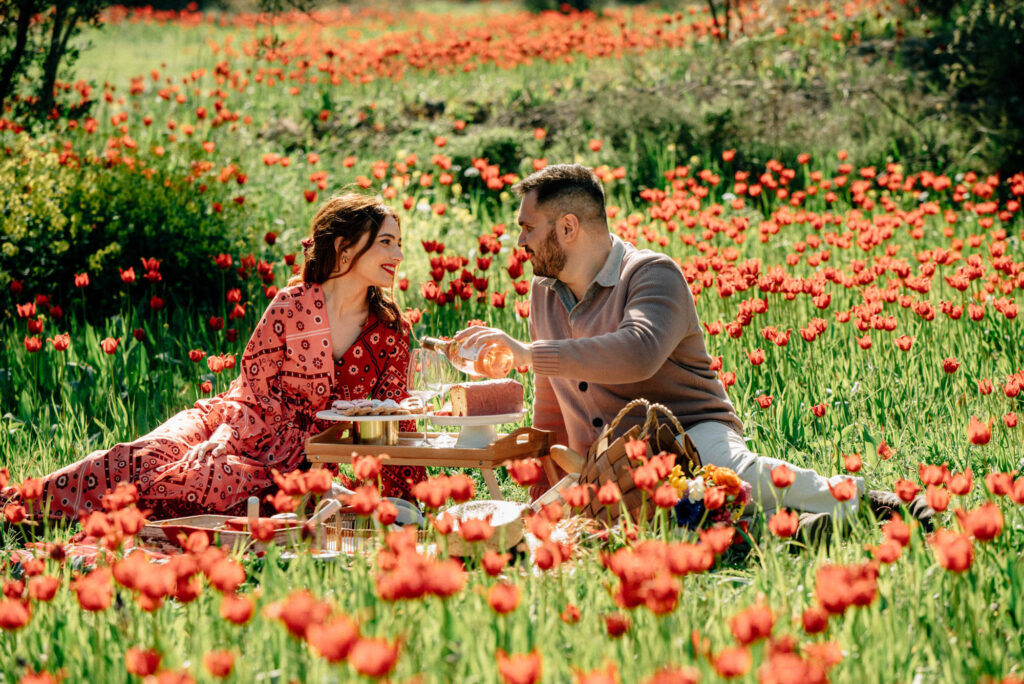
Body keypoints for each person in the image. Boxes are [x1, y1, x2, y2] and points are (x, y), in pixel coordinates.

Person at [454, 164, 931, 533]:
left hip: (689, 432)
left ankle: (873, 503)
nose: (519, 242)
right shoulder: (544, 291)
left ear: (569, 227)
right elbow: (551, 409)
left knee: (731, 475)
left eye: (528, 227)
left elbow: (638, 351)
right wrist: (545, 491)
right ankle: (799, 532)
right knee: (608, 530)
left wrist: (526, 353)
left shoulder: (651, 275)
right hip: (608, 466)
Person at [5, 194, 425, 522]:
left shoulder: (390, 329)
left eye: (398, 244)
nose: (398, 256)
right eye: (386, 243)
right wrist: (220, 438)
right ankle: (15, 508)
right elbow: (250, 391)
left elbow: (395, 417)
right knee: (141, 456)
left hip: (307, 461)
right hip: (233, 422)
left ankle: (107, 522)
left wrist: (410, 502)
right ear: (344, 247)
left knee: (199, 480)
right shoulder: (292, 305)